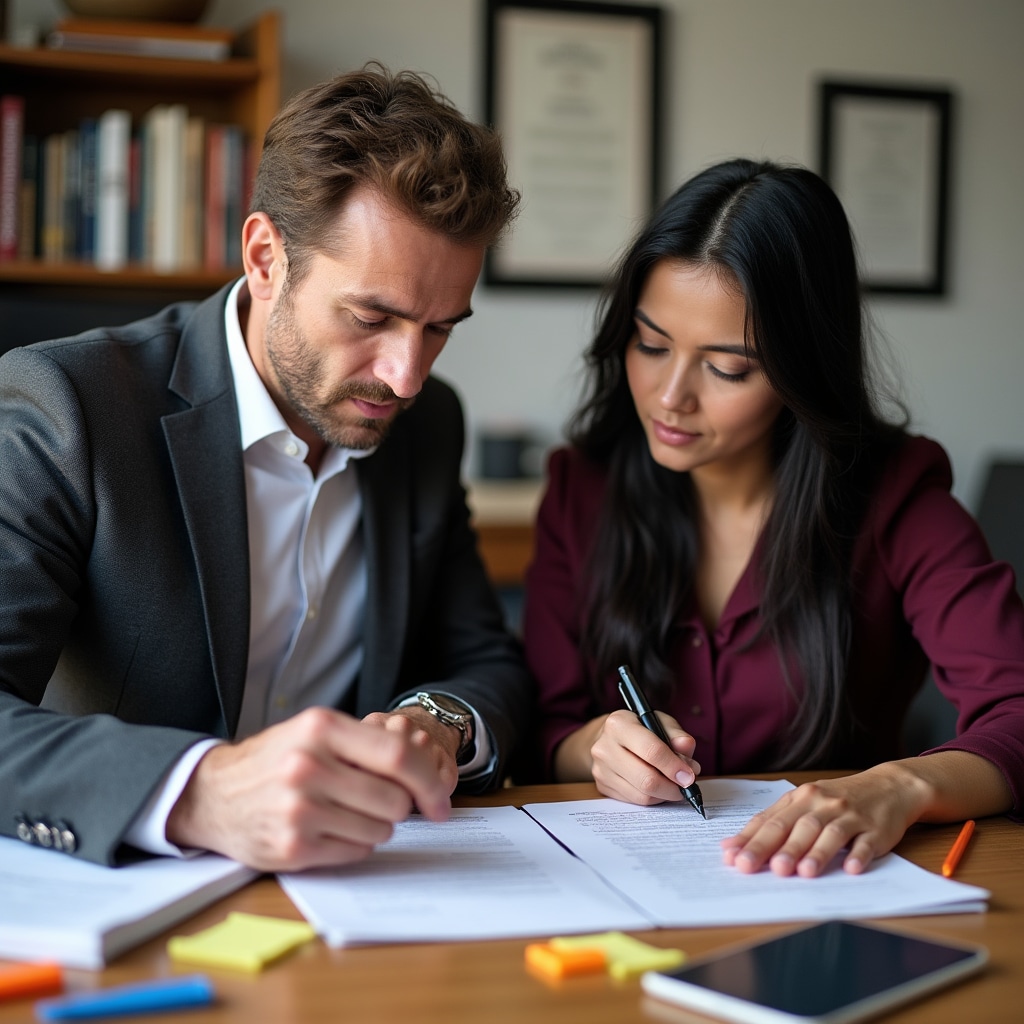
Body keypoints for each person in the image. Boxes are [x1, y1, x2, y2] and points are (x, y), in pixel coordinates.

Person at [0, 65, 533, 871]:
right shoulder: (69, 406)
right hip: (133, 895)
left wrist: (437, 720)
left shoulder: (429, 426)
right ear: (264, 258)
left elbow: (485, 661)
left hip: (363, 895)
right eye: (372, 317)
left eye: (439, 328)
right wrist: (197, 791)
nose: (407, 376)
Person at [522, 158, 1024, 879]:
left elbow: (1016, 707)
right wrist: (597, 745)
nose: (669, 397)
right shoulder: (583, 488)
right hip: (627, 882)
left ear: (803, 368)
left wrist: (900, 785)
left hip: (825, 885)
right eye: (651, 344)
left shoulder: (896, 495)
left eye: (726, 368)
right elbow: (544, 720)